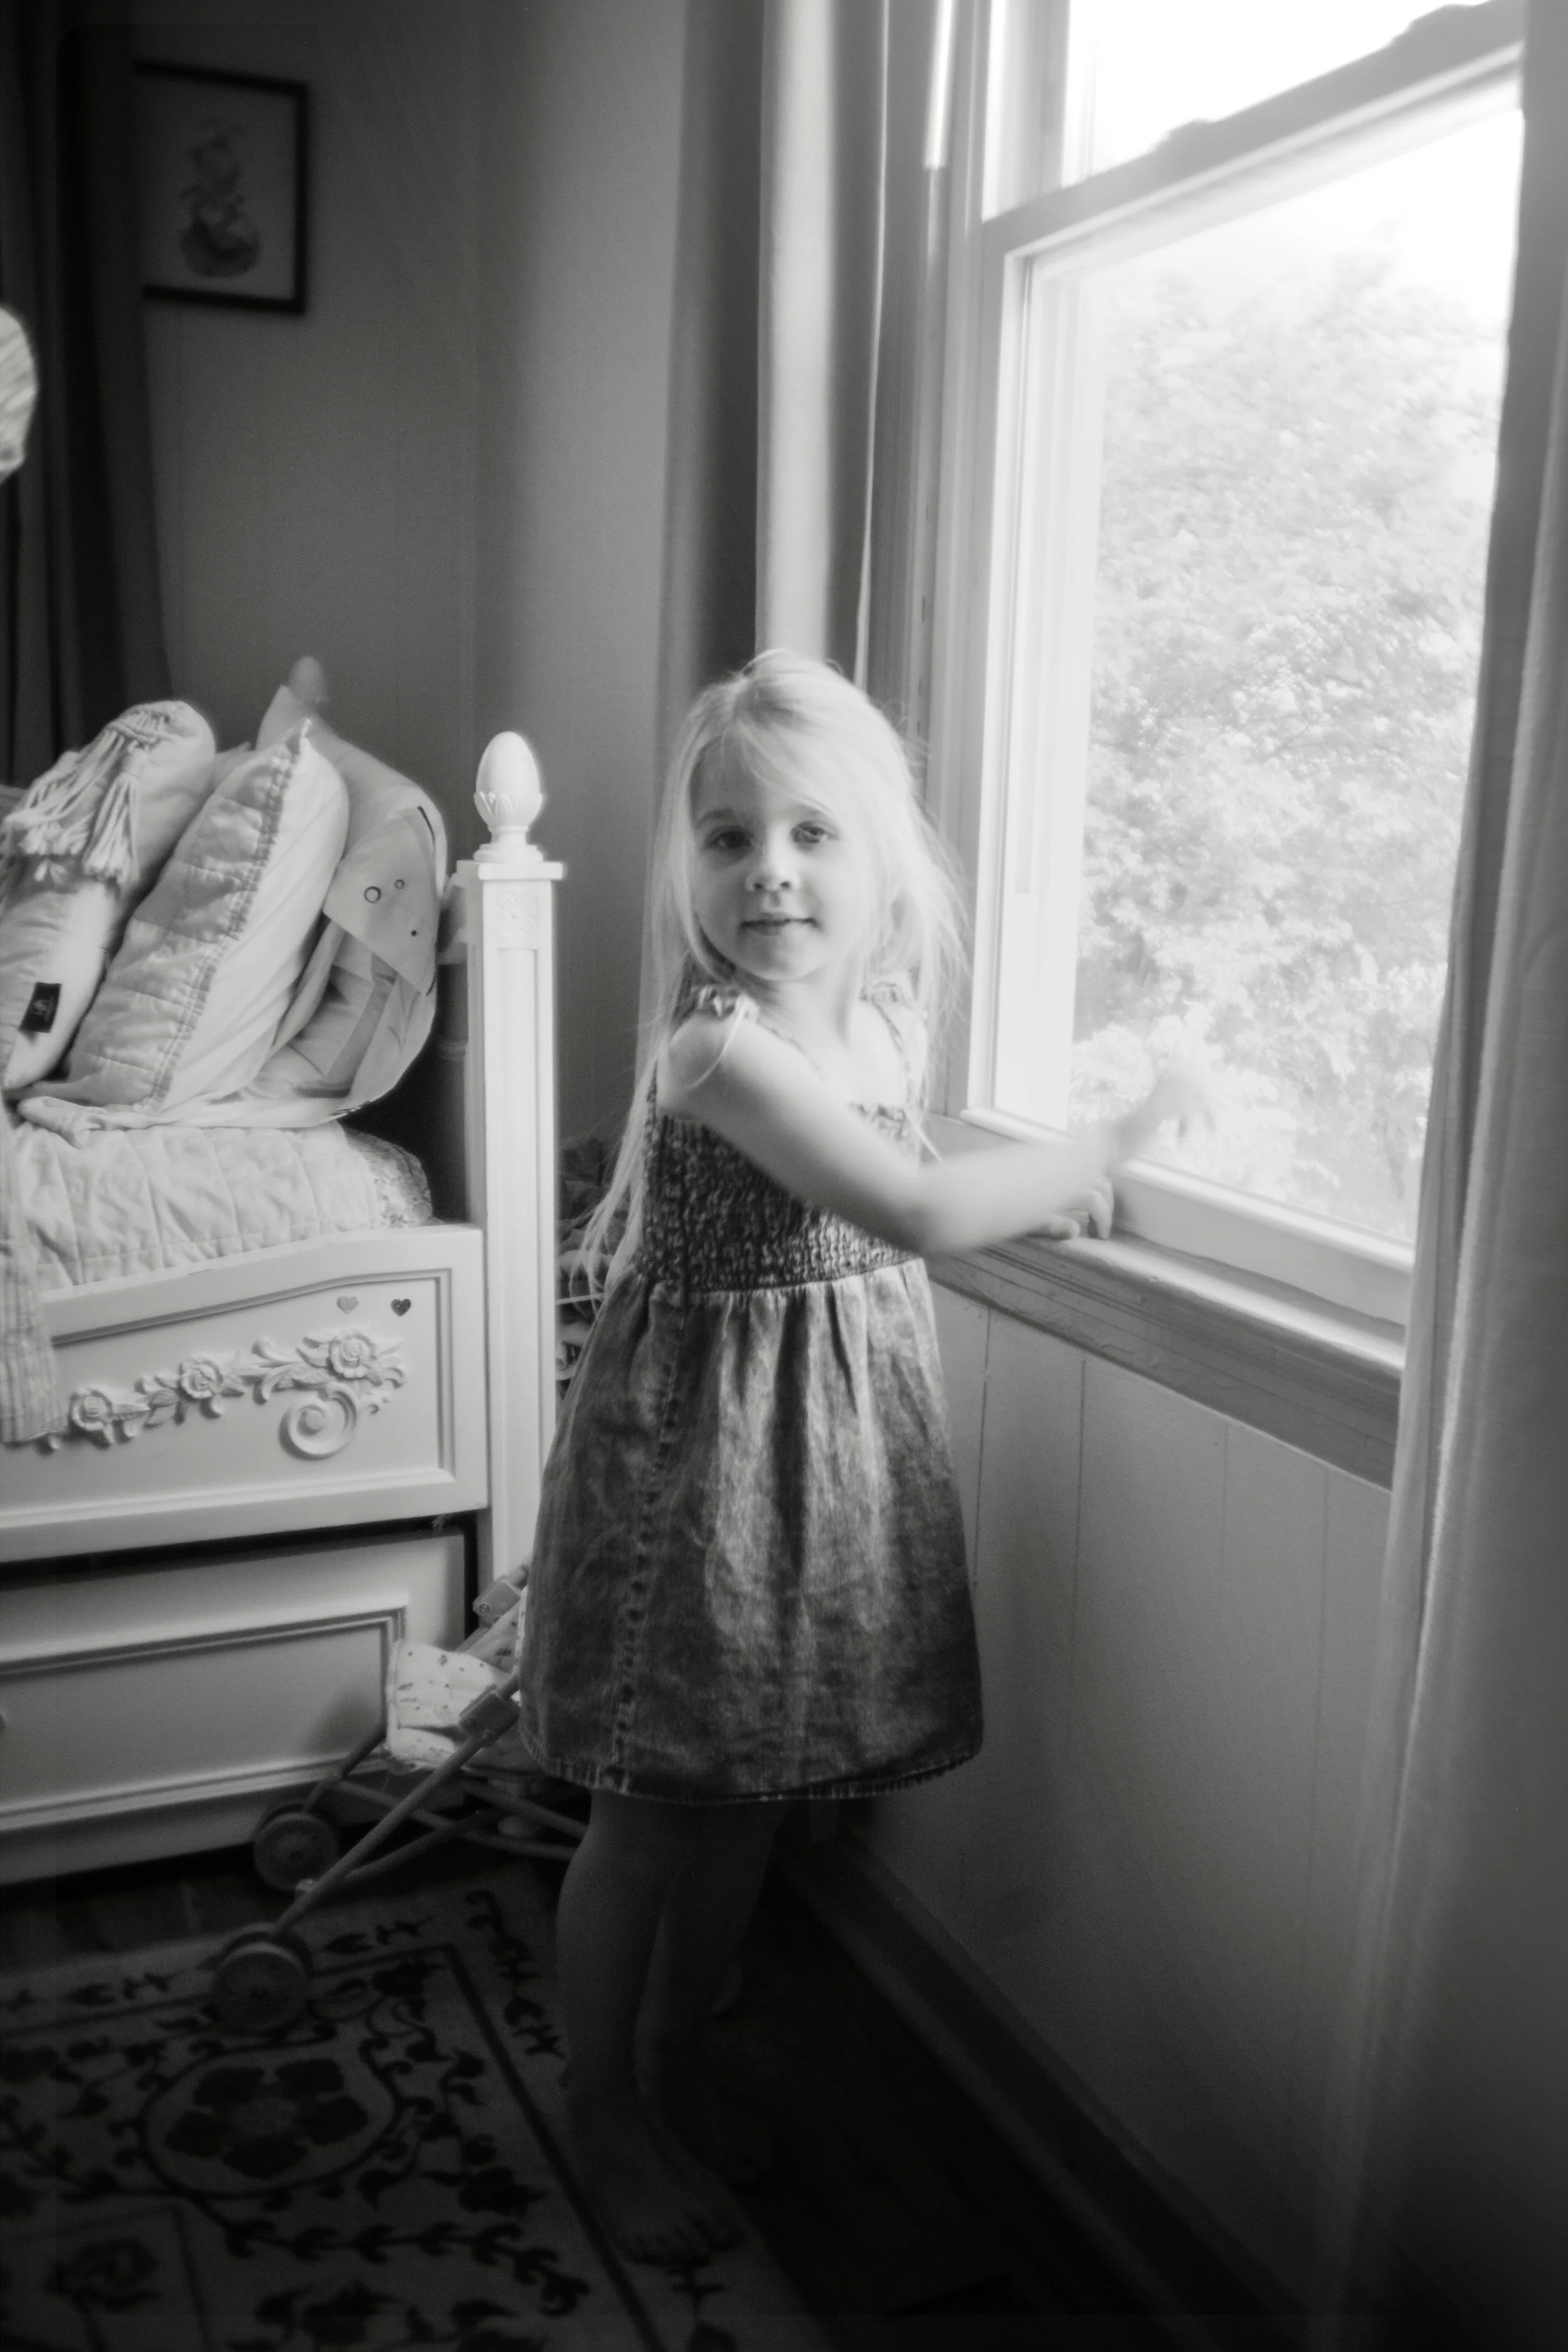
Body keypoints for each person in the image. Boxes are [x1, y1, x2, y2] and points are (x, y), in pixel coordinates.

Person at [514, 650, 1204, 2263]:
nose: (767, 870)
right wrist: (1104, 1140)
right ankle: (601, 2102)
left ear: (880, 861)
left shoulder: (879, 1033)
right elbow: (912, 1208)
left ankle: (677, 2048)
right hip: (694, 1475)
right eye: (728, 837)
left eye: (810, 833)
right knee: (650, 1810)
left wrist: (1041, 1196)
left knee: (757, 1787)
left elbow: (893, 1184)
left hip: (812, 1474)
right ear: (685, 870)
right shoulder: (719, 1052)